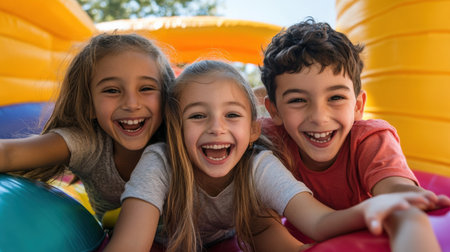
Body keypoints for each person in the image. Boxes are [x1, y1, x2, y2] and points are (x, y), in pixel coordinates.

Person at [104, 60, 441, 252]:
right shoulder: (161, 162)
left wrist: (374, 207)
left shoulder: (257, 164)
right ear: (174, 129)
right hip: (166, 233)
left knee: (260, 222)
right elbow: (131, 244)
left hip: (232, 229)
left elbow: (319, 222)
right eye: (197, 116)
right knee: (116, 221)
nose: (216, 129)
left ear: (254, 129)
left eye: (232, 116)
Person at [260, 18, 450, 250]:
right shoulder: (269, 141)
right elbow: (257, 221)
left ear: (358, 106)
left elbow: (396, 193)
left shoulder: (369, 139)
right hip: (299, 236)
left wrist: (409, 202)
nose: (319, 117)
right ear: (274, 111)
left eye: (336, 97)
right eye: (298, 100)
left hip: (365, 230)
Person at [0, 33, 175, 220]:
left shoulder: (180, 142)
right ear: (88, 104)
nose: (131, 104)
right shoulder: (88, 144)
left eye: (146, 88)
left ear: (166, 96)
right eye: (112, 90)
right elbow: (9, 153)